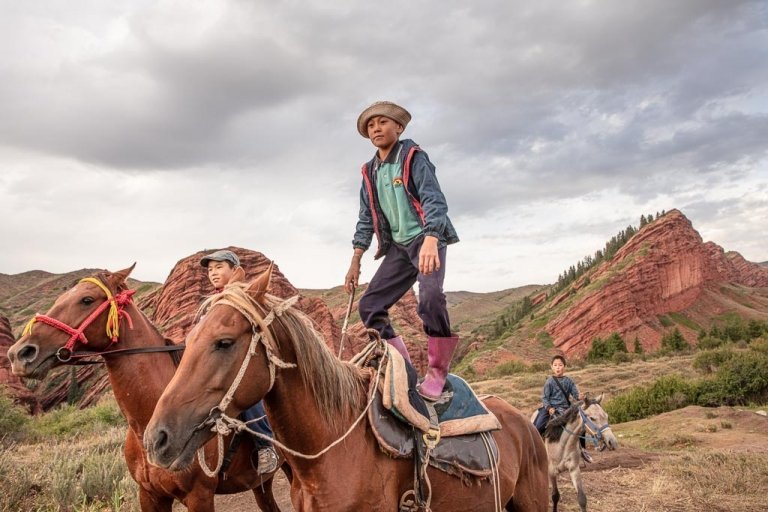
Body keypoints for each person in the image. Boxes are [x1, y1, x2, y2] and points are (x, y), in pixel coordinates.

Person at [344, 101, 460, 401]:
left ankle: (437, 372)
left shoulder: (412, 157)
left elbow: (434, 199)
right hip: (398, 247)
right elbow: (366, 217)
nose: (376, 129)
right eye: (371, 126)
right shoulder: (369, 172)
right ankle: (405, 368)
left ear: (399, 127)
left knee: (431, 298)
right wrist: (356, 258)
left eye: (383, 123)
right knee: (369, 306)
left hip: (426, 239)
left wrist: (433, 237)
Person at [199, 249, 279, 475]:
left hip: (244, 361)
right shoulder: (212, 304)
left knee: (245, 392)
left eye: (219, 268)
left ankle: (265, 445)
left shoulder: (244, 296)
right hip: (217, 364)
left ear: (235, 270)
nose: (213, 273)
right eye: (210, 270)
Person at [534, 354, 592, 463]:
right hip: (551, 409)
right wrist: (549, 408)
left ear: (564, 366)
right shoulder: (549, 381)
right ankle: (536, 450)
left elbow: (575, 395)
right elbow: (545, 398)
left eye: (560, 365)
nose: (558, 367)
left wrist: (580, 397)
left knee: (581, 426)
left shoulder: (568, 381)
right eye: (555, 365)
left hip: (566, 409)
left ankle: (583, 450)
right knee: (537, 427)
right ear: (551, 367)